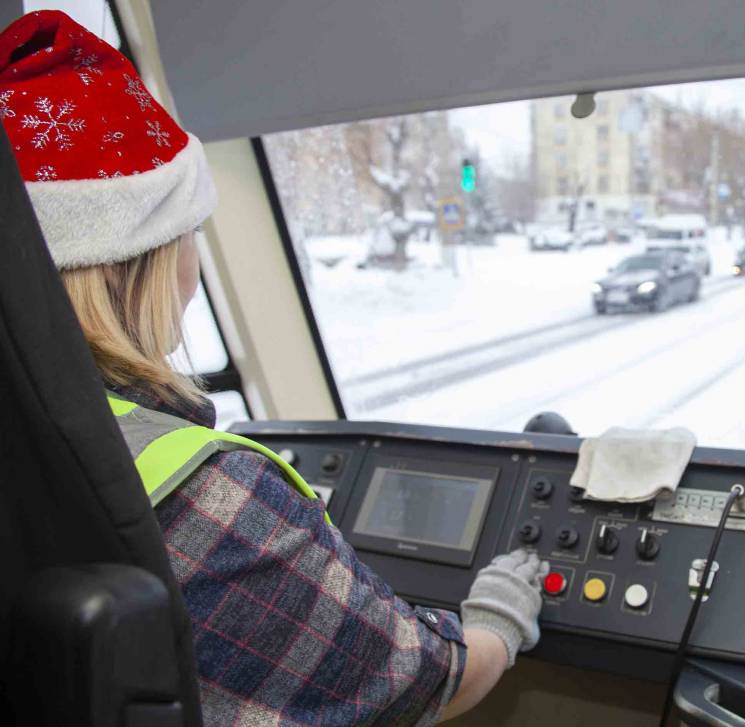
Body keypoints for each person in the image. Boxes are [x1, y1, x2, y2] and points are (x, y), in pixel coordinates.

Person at [0, 10, 546, 726]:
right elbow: (421, 682)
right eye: (188, 230)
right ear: (146, 256)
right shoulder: (209, 493)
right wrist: (499, 621)